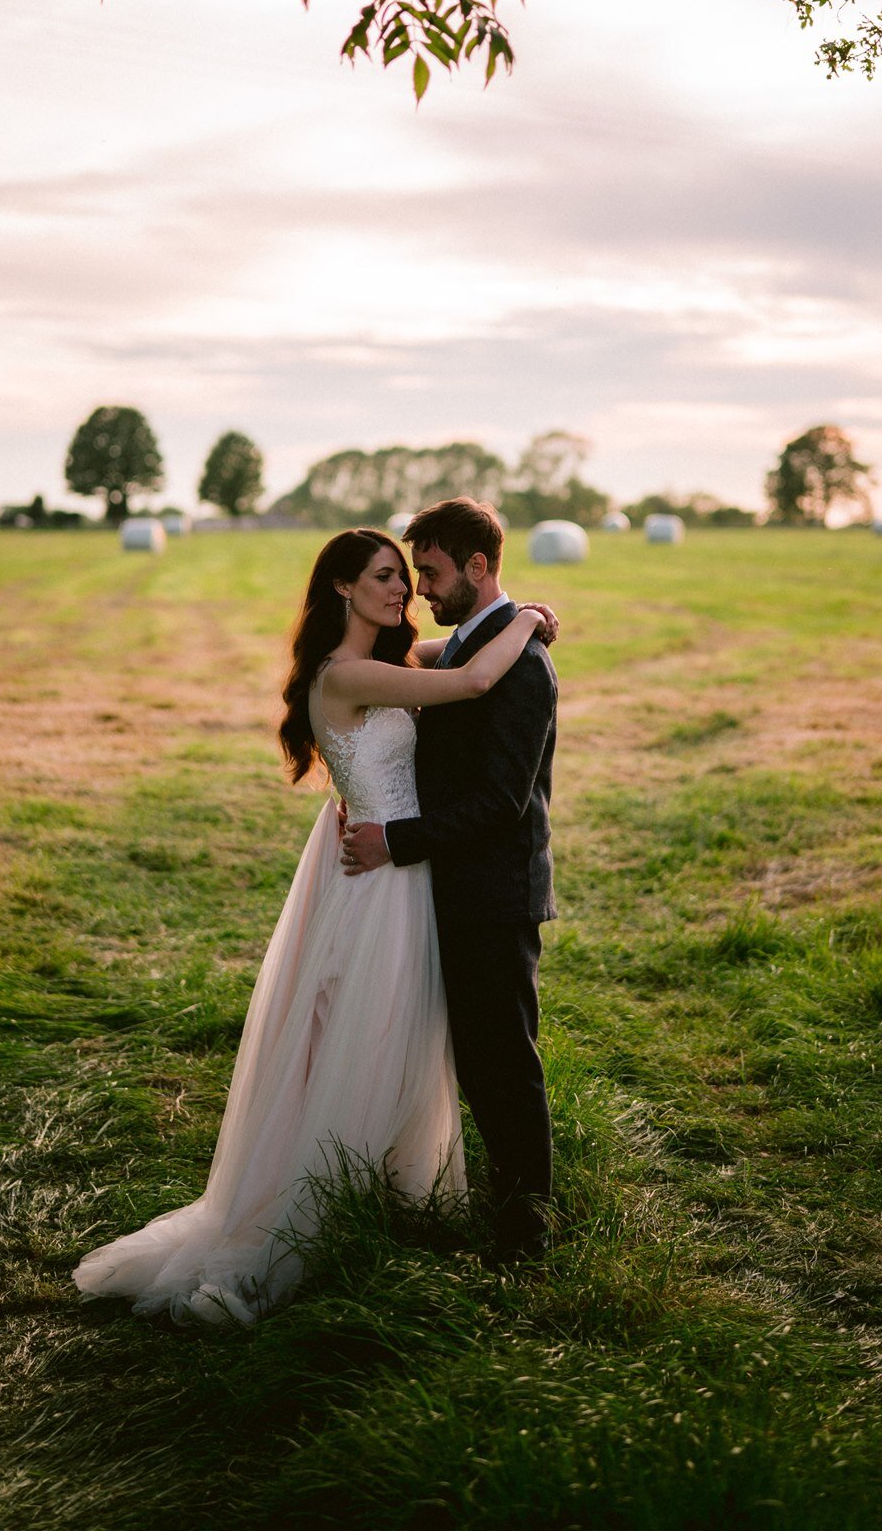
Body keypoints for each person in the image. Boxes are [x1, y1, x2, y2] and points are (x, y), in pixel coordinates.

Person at [72, 525, 552, 1325]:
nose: (402, 591)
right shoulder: (349, 674)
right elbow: (471, 683)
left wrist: (511, 619)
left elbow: (456, 657)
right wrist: (530, 622)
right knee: (363, 1037)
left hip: (397, 869)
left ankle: (387, 1195)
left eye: (407, 576)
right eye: (383, 577)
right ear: (340, 587)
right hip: (382, 880)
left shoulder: (388, 666)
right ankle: (306, 1219)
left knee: (394, 1037)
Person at [341, 497, 559, 1264]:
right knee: (475, 1057)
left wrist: (394, 840)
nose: (420, 590)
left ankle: (527, 1228)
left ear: (477, 566)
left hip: (494, 894)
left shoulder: (520, 663)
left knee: (502, 1059)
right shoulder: (474, 644)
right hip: (450, 887)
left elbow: (501, 805)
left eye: (430, 572)